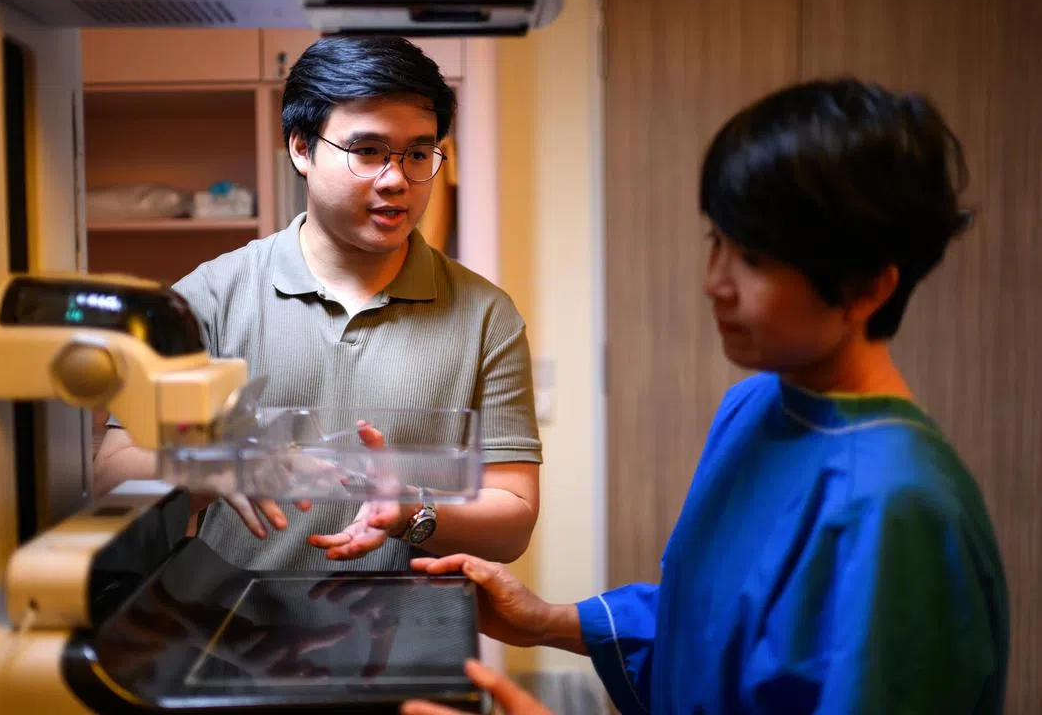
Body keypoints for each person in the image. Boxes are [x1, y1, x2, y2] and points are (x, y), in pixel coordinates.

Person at [402, 78, 1009, 714]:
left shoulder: (897, 506)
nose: (714, 282)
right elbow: (715, 628)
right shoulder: (754, 408)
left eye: (752, 258)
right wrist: (545, 621)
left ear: (866, 288)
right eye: (715, 241)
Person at [93, 35, 542, 571]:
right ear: (301, 149)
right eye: (367, 151)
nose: (397, 179)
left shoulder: (485, 316)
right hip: (237, 629)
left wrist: (411, 513)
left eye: (418, 154)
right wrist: (209, 469)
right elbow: (111, 476)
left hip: (416, 634)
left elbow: (513, 518)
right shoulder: (206, 298)